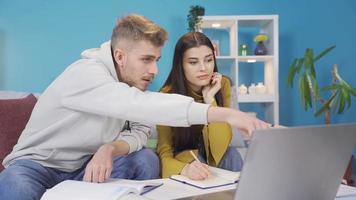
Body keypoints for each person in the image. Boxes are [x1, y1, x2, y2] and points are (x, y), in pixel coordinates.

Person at [0, 14, 270, 200]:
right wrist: (227, 113)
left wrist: (110, 148)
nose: (154, 70)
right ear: (120, 56)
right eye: (146, 59)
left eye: (157, 59)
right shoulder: (86, 74)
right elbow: (137, 105)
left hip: (85, 167)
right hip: (37, 165)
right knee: (16, 183)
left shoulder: (134, 83)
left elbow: (140, 129)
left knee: (144, 159)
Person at [157, 32, 243, 180]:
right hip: (186, 157)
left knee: (232, 155)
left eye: (208, 60)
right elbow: (165, 153)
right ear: (181, 65)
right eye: (193, 62)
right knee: (199, 164)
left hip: (215, 153)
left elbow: (221, 145)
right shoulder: (167, 95)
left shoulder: (222, 84)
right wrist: (184, 169)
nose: (203, 68)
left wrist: (210, 100)